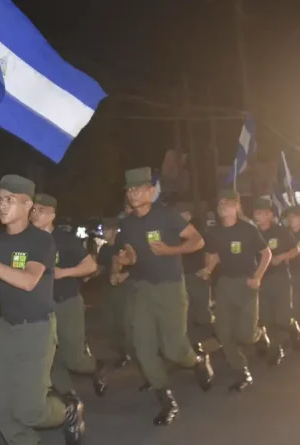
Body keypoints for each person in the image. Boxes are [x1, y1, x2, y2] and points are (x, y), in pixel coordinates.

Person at [0, 175, 85, 445]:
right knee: (1, 406)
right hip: (6, 330)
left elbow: (28, 281)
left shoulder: (40, 241)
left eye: (10, 200)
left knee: (30, 410)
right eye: (1, 200)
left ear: (28, 205)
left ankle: (69, 411)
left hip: (36, 330)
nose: (2, 205)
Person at [111, 167, 214, 426]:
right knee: (143, 348)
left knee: (174, 349)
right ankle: (167, 401)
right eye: (129, 189)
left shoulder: (167, 215)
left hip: (170, 288)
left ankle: (198, 360)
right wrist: (124, 261)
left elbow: (198, 240)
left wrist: (171, 250)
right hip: (142, 289)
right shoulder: (126, 223)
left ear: (150, 190)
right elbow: (125, 255)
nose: (133, 193)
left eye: (138, 188)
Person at [29, 193, 105, 398]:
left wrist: (64, 273)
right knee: (49, 356)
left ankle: (94, 366)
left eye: (40, 210)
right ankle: (68, 396)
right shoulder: (28, 240)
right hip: (40, 307)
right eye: (33, 210)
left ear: (52, 215)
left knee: (74, 359)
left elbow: (90, 265)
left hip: (66, 303)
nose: (34, 214)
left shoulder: (64, 240)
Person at [199, 190, 271, 392]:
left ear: (237, 207)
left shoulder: (248, 229)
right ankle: (241, 371)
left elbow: (266, 253)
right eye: (221, 202)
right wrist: (208, 269)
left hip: (246, 283)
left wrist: (257, 277)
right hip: (225, 285)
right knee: (223, 332)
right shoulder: (214, 231)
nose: (223, 205)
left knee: (246, 335)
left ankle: (259, 333)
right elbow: (214, 256)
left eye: (228, 203)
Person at [251, 198, 300, 365]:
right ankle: (276, 349)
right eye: (255, 213)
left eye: (261, 213)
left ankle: (293, 326)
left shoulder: (280, 231)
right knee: (267, 319)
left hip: (280, 277)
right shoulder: (252, 233)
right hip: (262, 279)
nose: (257, 216)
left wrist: (281, 257)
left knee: (282, 316)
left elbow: (296, 249)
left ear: (269, 215)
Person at [174, 202, 214, 354]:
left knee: (203, 315)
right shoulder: (173, 235)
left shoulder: (201, 232)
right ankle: (195, 345)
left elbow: (214, 252)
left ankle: (220, 332)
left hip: (198, 277)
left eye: (181, 214)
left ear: (188, 215)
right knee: (187, 314)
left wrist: (208, 269)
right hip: (181, 278)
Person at [96, 217, 134, 367]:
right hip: (107, 289)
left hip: (123, 289)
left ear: (114, 231)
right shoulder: (104, 249)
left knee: (125, 322)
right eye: (103, 229)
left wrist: (123, 275)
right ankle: (122, 353)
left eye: (107, 230)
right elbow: (99, 267)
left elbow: (133, 267)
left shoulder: (123, 248)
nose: (104, 232)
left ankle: (132, 352)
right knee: (110, 323)